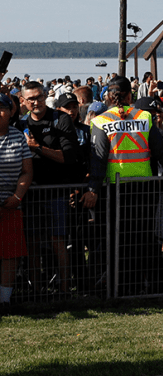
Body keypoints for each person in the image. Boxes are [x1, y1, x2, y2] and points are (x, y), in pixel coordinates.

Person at [81, 76, 163, 295]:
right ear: (129, 95)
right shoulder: (144, 117)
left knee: (117, 242)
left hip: (114, 190)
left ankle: (120, 289)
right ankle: (150, 288)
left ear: (108, 96)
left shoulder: (100, 121)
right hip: (144, 188)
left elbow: (98, 159)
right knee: (143, 240)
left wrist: (93, 189)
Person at [20, 81, 80, 295]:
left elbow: (69, 157)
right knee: (33, 243)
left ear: (45, 96)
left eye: (39, 97)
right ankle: (36, 291)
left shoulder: (60, 119)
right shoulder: (21, 123)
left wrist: (39, 149)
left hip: (56, 190)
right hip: (31, 192)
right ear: (23, 101)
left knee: (57, 242)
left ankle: (64, 291)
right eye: (31, 99)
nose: (36, 102)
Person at [0, 94, 33, 307]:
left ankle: (4, 300)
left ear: (11, 112)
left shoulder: (18, 137)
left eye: (2, 108)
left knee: (10, 256)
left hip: (10, 206)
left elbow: (27, 171)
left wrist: (17, 196)